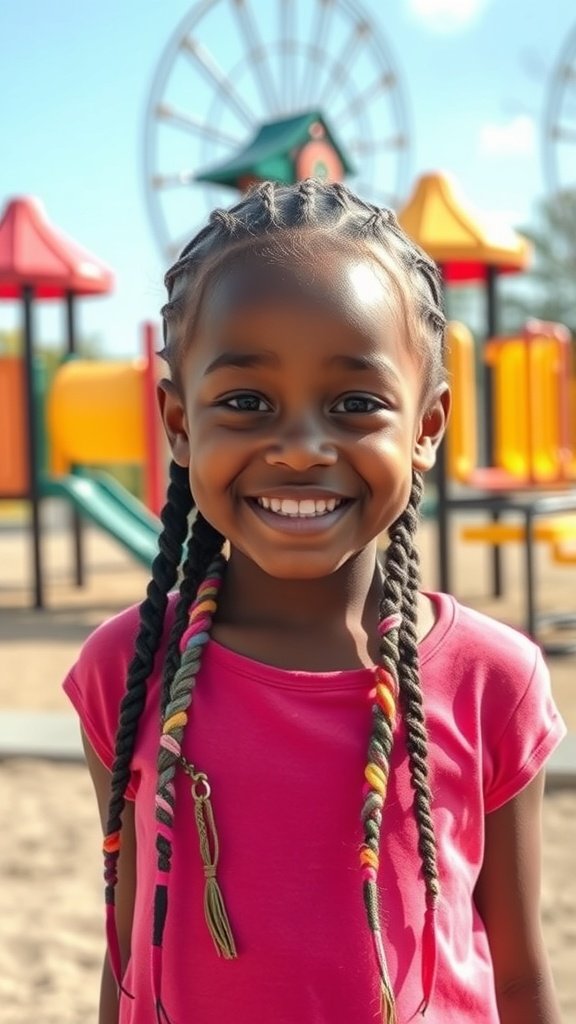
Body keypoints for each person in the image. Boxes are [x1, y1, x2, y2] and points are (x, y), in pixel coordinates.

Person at [64, 179, 565, 1024]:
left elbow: (517, 973)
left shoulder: (494, 679)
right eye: (246, 403)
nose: (300, 448)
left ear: (427, 425)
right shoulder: (124, 670)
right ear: (179, 422)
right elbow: (126, 962)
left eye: (356, 404)